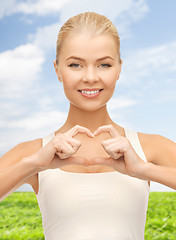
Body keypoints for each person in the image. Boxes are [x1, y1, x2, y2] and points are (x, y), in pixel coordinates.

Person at [0, 11, 176, 240]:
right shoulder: (33, 153)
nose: (91, 77)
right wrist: (33, 164)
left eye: (104, 65)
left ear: (119, 68)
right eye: (75, 65)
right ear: (57, 70)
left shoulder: (149, 147)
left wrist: (143, 170)